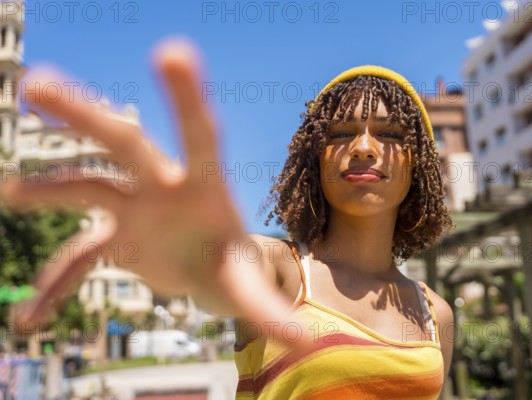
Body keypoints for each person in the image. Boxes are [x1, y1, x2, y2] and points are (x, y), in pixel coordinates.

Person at [1, 39, 454, 399]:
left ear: (418, 165)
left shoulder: (437, 314)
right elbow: (226, 272)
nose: (363, 147)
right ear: (313, 162)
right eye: (339, 134)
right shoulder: (280, 272)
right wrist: (197, 256)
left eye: (391, 133)